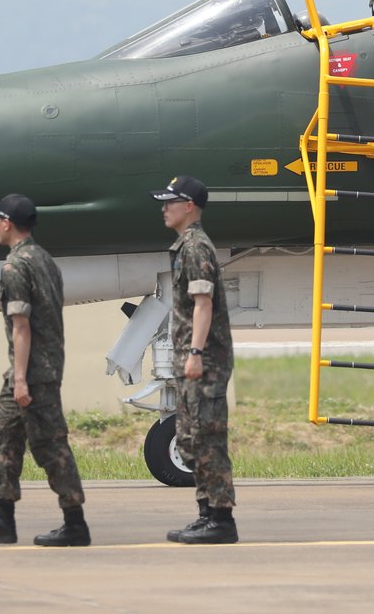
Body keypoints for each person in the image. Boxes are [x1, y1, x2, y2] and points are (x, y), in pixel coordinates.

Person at [0, 194, 91, 547]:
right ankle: (4, 519)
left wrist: (20, 379)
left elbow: (22, 326)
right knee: (4, 438)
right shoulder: (45, 260)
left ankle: (75, 523)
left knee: (50, 446)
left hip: (32, 372)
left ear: (7, 223)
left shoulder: (15, 266)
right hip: (36, 367)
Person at [153, 175, 239, 544]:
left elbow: (204, 305)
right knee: (190, 438)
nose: (164, 207)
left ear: (189, 206)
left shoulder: (195, 248)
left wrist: (195, 353)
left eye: (170, 201)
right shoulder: (186, 245)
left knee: (207, 439)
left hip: (206, 362)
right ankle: (206, 514)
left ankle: (221, 520)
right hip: (196, 360)